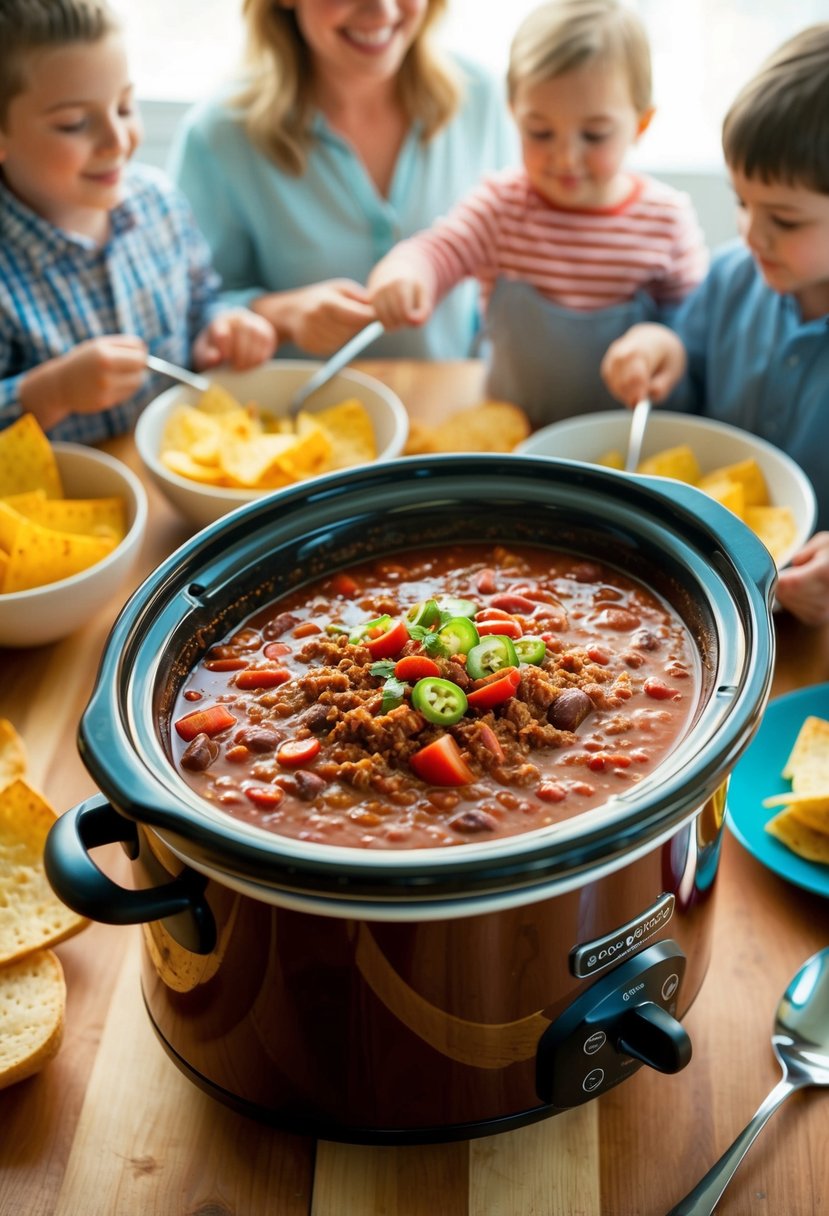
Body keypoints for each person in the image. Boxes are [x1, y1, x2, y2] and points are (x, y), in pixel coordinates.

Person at [365, 0, 708, 424]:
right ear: (514, 115)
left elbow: (696, 328)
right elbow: (439, 250)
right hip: (516, 433)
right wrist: (405, 271)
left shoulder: (666, 222)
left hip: (624, 445)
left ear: (640, 124)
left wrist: (662, 341)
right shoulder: (502, 207)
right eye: (540, 132)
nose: (566, 158)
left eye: (594, 135)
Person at [601, 23, 829, 626]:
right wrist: (659, 348)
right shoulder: (734, 277)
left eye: (783, 217)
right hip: (689, 589)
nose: (752, 232)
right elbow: (686, 372)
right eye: (741, 201)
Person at [168, 0, 518, 362]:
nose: (382, 11)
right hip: (298, 411)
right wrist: (283, 315)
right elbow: (189, 312)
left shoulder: (483, 98)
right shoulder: (218, 136)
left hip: (454, 404)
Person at [0, 0, 276, 444]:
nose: (117, 139)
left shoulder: (160, 205)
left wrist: (221, 327)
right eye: (73, 124)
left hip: (175, 479)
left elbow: (202, 304)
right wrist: (50, 391)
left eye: (125, 107)